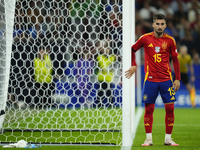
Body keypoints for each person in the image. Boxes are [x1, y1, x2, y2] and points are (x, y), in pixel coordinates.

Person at [125, 14, 181, 146]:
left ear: (165, 25)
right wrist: (134, 64)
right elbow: (133, 49)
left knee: (170, 109)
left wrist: (177, 78)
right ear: (153, 24)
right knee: (149, 109)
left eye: (162, 24)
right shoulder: (145, 39)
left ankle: (168, 139)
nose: (160, 26)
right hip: (150, 81)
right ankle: (148, 139)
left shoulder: (170, 41)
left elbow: (176, 60)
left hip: (166, 80)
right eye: (158, 24)